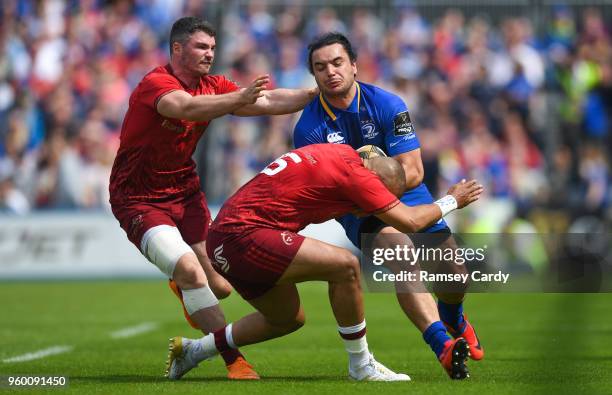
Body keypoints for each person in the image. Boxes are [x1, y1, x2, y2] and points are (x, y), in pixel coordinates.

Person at [108, 16, 318, 380]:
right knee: (192, 270)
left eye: (213, 48)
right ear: (177, 48)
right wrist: (238, 97)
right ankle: (233, 360)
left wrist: (316, 95)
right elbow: (185, 108)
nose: (210, 54)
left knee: (220, 285)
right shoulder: (155, 83)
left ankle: (182, 285)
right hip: (138, 199)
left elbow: (265, 100)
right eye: (202, 47)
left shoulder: (214, 85)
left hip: (185, 193)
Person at [165, 143, 483, 381]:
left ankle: (193, 351)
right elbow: (410, 222)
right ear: (374, 179)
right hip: (244, 233)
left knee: (287, 318)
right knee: (346, 266)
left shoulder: (339, 154)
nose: (367, 210)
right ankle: (361, 365)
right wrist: (452, 199)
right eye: (374, 202)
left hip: (225, 236)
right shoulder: (358, 176)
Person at [293, 32, 484, 378]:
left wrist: (374, 183)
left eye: (337, 63)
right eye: (320, 68)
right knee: (401, 256)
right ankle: (443, 346)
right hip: (358, 211)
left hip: (408, 196)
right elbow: (321, 191)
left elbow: (413, 171)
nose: (330, 72)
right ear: (314, 75)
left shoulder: (388, 104)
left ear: (354, 65)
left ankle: (453, 317)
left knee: (455, 276)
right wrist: (365, 198)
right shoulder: (308, 129)